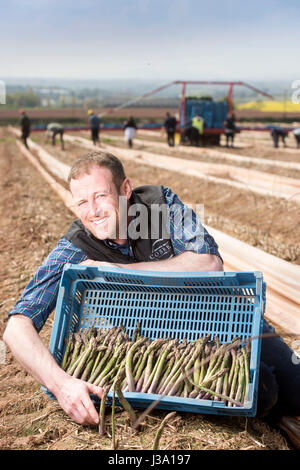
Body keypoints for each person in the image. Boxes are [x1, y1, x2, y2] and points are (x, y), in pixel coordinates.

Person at [3, 152, 300, 448]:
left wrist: (118, 270)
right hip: (172, 347)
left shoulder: (159, 206)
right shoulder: (77, 246)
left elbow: (208, 262)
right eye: (82, 202)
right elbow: (17, 326)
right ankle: (276, 419)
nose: (92, 210)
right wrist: (62, 385)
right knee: (264, 389)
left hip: (229, 317)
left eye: (100, 196)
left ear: (125, 189)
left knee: (295, 384)